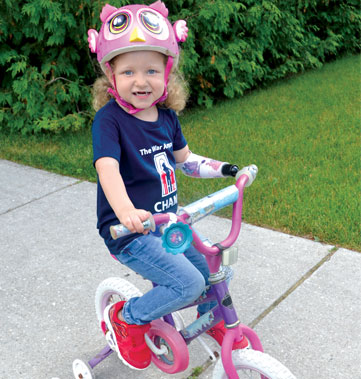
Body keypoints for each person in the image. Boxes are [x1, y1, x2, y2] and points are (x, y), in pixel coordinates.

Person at [88, 1, 242, 371]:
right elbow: (107, 168)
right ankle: (129, 318)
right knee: (187, 284)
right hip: (132, 233)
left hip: (169, 226)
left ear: (167, 73)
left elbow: (187, 161)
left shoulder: (167, 117)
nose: (140, 81)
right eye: (128, 71)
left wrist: (226, 170)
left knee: (208, 274)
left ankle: (212, 322)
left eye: (151, 70)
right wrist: (127, 212)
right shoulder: (109, 122)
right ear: (111, 76)